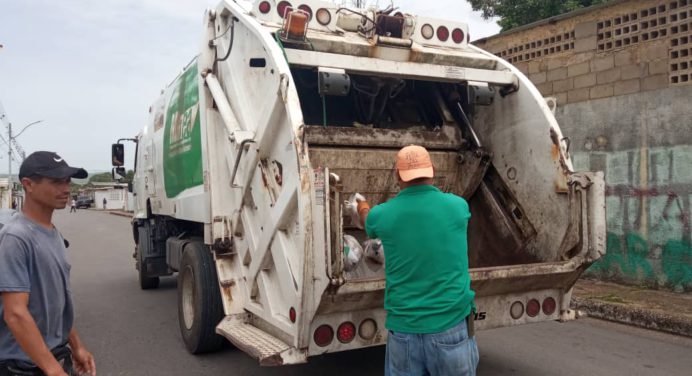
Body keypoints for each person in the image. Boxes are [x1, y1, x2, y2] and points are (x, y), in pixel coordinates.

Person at [347, 145, 478, 376]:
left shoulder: (383, 215)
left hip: (404, 331)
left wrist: (362, 205)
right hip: (450, 326)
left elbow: (368, 223)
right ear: (432, 171)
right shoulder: (459, 207)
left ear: (398, 176)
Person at [0, 151, 96, 376]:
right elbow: (15, 314)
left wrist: (77, 346)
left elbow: (56, 302)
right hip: (21, 367)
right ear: (28, 184)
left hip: (52, 357)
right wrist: (53, 370)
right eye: (56, 182)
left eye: (67, 181)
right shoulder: (16, 238)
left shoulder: (53, 234)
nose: (65, 189)